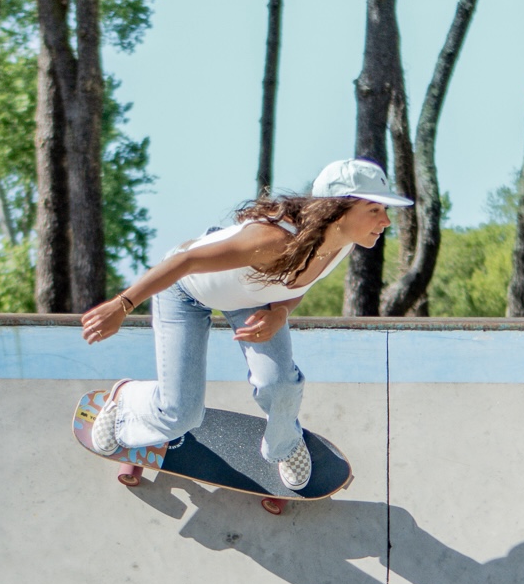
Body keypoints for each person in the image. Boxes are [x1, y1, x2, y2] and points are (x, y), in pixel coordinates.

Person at [79, 158, 411, 490]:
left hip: (251, 295)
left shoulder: (342, 243)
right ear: (337, 209)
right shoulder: (270, 240)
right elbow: (185, 262)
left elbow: (298, 285)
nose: (385, 221)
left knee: (280, 384)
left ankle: (285, 444)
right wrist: (123, 304)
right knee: (181, 414)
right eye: (374, 210)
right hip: (184, 290)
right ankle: (125, 400)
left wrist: (279, 313)